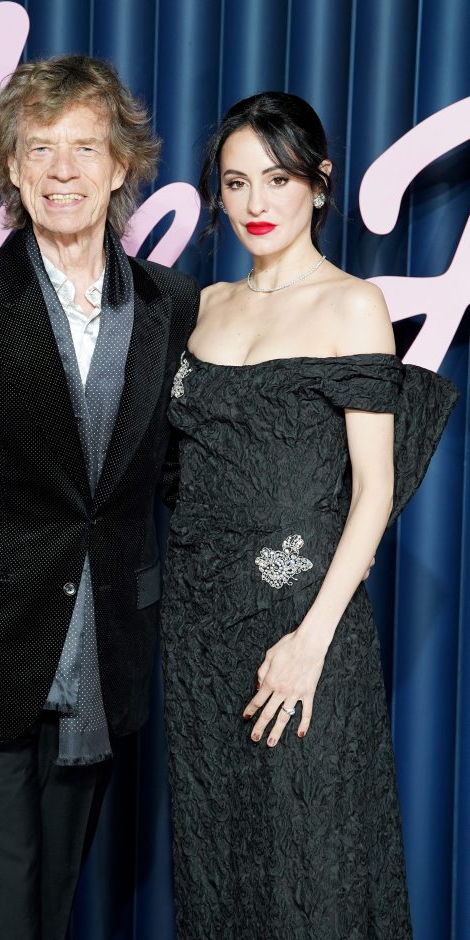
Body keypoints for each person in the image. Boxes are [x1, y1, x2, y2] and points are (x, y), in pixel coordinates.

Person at [0, 55, 199, 940]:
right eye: (40, 149)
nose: (63, 170)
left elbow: (180, 477)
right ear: (11, 169)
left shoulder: (172, 305)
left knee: (49, 911)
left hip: (103, 657)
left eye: (85, 148)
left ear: (120, 165)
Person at [160, 91, 458, 939]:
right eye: (235, 183)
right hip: (198, 630)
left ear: (319, 183)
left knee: (311, 858)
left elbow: (373, 491)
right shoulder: (203, 305)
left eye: (278, 179)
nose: (255, 203)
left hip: (301, 621)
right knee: (216, 860)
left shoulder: (351, 305)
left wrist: (309, 643)